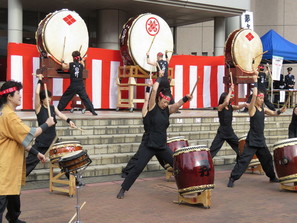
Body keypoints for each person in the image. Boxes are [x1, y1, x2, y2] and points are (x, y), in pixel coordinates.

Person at [117, 77, 192, 199]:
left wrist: (185, 99)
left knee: (177, 166)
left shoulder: (167, 110)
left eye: (167, 103)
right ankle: (123, 189)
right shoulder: (152, 107)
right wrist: (159, 78)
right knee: (137, 168)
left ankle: (187, 187)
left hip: (162, 146)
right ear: (158, 99)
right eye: (164, 102)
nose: (165, 104)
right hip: (149, 145)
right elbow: (153, 92)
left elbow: (177, 105)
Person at [0, 80, 55, 223]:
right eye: (18, 93)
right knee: (3, 199)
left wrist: (36, 152)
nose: (20, 96)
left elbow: (18, 139)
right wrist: (47, 124)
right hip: (5, 166)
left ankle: (13, 218)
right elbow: (29, 133)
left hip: (10, 165)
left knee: (13, 197)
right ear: (9, 97)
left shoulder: (6, 114)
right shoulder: (9, 116)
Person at [227, 71, 286, 188]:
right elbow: (253, 95)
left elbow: (274, 113)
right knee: (244, 161)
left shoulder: (263, 110)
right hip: (252, 141)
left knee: (267, 159)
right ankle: (232, 178)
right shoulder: (252, 109)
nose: (262, 100)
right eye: (260, 98)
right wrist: (254, 80)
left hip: (260, 141)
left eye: (263, 98)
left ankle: (272, 177)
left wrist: (280, 111)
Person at [26, 75, 76, 176]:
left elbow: (61, 114)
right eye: (46, 98)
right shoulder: (39, 108)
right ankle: (17, 180)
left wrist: (69, 120)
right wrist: (39, 80)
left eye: (50, 97)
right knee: (29, 163)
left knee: (64, 159)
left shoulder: (53, 108)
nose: (49, 99)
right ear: (42, 99)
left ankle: (75, 180)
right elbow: (36, 93)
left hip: (53, 140)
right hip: (42, 142)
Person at [121, 80, 166, 178]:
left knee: (162, 155)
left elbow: (146, 100)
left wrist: (148, 88)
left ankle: (171, 169)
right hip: (148, 138)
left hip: (156, 138)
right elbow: (147, 100)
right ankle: (126, 171)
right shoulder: (147, 112)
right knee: (139, 156)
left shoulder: (153, 111)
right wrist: (149, 88)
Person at [209, 84, 247, 158]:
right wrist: (230, 90)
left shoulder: (231, 107)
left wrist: (245, 104)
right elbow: (226, 102)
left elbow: (239, 106)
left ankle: (241, 160)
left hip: (230, 132)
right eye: (228, 97)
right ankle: (207, 162)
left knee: (239, 146)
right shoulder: (220, 107)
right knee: (213, 149)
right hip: (222, 132)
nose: (229, 98)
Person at [58, 50, 97, 115]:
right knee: (85, 98)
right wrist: (82, 59)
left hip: (73, 85)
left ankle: (59, 109)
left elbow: (63, 67)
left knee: (66, 97)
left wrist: (62, 62)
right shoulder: (81, 65)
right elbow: (83, 64)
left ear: (73, 57)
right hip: (80, 85)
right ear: (78, 57)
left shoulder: (71, 64)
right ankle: (92, 110)